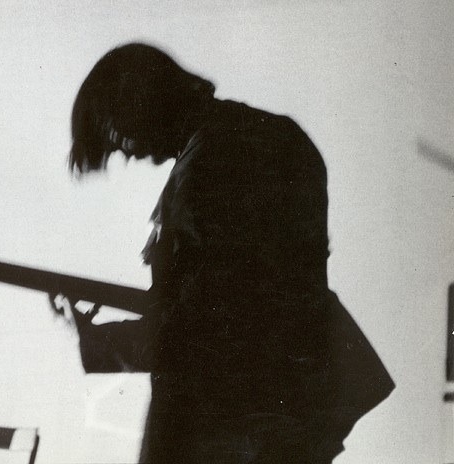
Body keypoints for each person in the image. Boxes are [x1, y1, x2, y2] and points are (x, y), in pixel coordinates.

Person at [55, 43, 393, 464]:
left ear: (143, 104)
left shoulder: (204, 167)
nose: (125, 152)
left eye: (118, 133)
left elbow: (204, 331)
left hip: (227, 431)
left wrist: (96, 339)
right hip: (287, 420)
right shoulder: (277, 135)